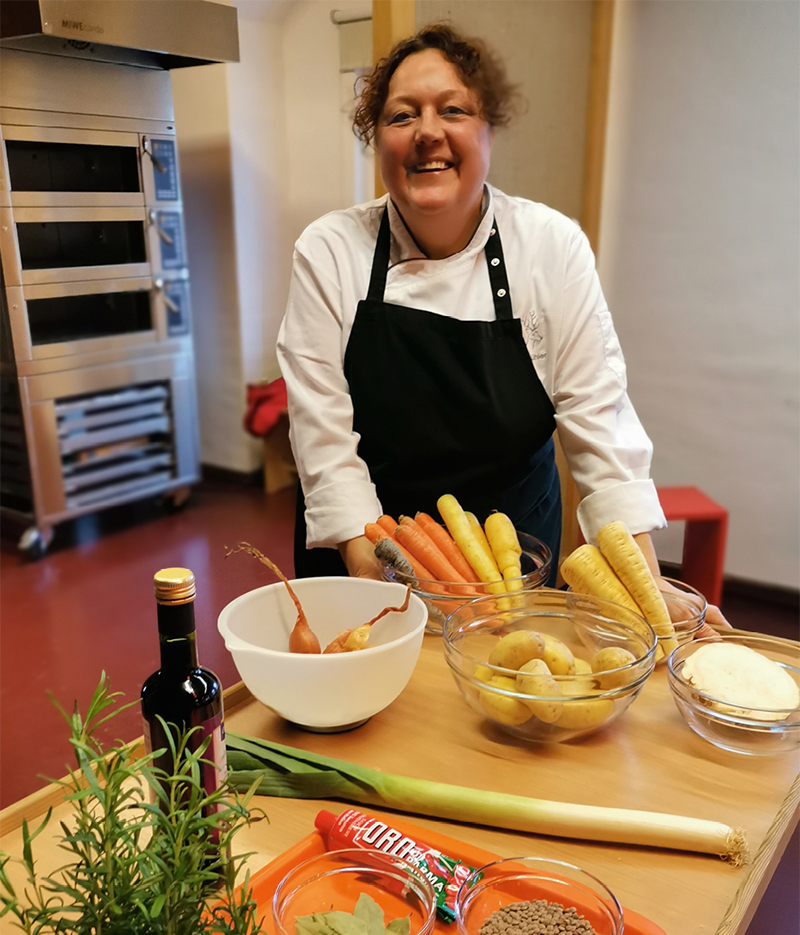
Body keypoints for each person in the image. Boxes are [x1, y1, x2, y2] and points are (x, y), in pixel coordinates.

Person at [277, 23, 725, 628]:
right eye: (401, 115)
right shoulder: (329, 250)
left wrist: (643, 589)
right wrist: (380, 583)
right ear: (376, 138)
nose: (427, 131)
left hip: (514, 571)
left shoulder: (550, 247)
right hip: (369, 557)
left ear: (489, 129)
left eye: (453, 110)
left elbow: (600, 426)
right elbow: (324, 445)